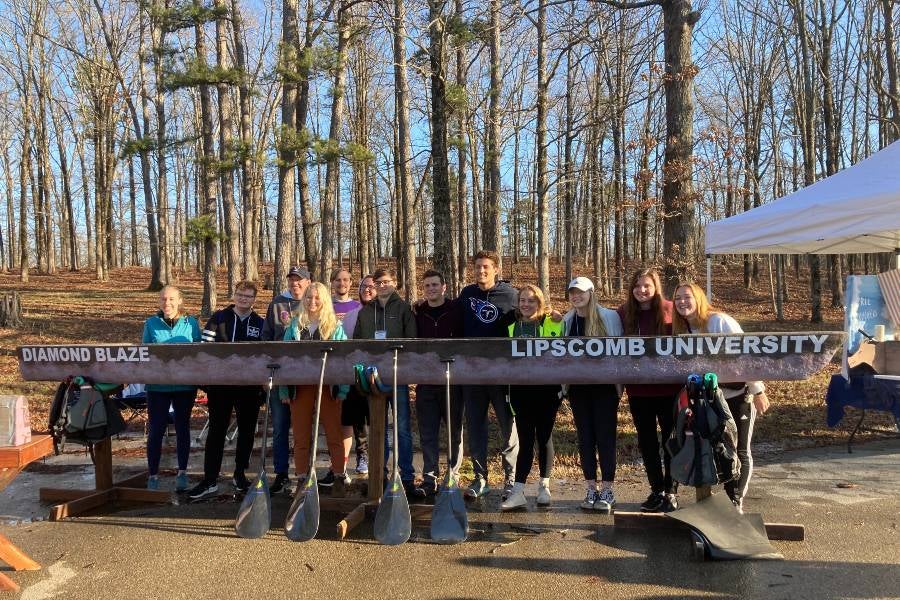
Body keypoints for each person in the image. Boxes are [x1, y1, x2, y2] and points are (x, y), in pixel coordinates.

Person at [672, 282, 770, 513]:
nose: (682, 302)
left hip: (737, 396)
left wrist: (757, 390)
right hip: (707, 400)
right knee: (715, 448)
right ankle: (714, 499)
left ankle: (736, 502)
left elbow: (747, 354)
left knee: (739, 449)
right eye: (677, 299)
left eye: (687, 297)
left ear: (698, 298)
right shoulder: (682, 329)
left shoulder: (719, 321)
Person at [188, 281, 266, 500]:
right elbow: (205, 350)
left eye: (249, 296)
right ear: (234, 295)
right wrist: (208, 382)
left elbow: (264, 354)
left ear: (254, 299)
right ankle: (210, 479)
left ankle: (240, 474)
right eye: (240, 294)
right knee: (216, 431)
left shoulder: (259, 323)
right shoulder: (218, 318)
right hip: (221, 386)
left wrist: (261, 386)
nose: (244, 299)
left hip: (249, 388)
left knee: (247, 431)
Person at [617, 268, 682, 513]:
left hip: (669, 390)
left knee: (670, 441)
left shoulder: (669, 308)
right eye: (637, 286)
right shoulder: (624, 313)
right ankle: (656, 490)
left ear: (655, 287)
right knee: (647, 442)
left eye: (647, 285)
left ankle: (671, 491)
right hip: (638, 391)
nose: (642, 290)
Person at [458, 250, 519, 500]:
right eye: (477, 267)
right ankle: (480, 478)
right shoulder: (467, 295)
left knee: (509, 427)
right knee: (475, 426)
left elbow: (531, 314)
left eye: (486, 267)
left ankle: (511, 479)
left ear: (495, 269)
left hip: (503, 372)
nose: (481, 271)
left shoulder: (510, 295)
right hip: (473, 372)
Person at [352, 267, 418, 496]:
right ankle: (379, 474)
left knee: (402, 428)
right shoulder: (365, 312)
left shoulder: (403, 309)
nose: (382, 286)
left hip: (398, 378)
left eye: (386, 282)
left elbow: (412, 341)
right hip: (373, 378)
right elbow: (357, 343)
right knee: (378, 429)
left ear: (394, 283)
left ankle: (406, 476)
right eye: (378, 282)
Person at [562, 276, 623, 512]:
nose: (577, 296)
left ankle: (607, 488)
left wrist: (619, 386)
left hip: (605, 387)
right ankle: (590, 488)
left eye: (581, 292)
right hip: (578, 388)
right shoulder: (568, 320)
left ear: (591, 293)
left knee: (605, 438)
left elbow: (620, 352)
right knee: (585, 438)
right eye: (572, 293)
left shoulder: (608, 317)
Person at [501, 285, 564, 511]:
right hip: (520, 391)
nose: (526, 304)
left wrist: (557, 316)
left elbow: (562, 353)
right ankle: (518, 491)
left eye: (531, 301)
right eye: (522, 300)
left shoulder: (553, 322)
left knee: (545, 437)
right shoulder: (510, 325)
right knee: (526, 439)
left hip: (547, 390)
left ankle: (544, 486)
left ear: (540, 303)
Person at [282, 282, 351, 488]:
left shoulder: (335, 327)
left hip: (328, 388)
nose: (313, 301)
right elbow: (284, 358)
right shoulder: (294, 325)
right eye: (309, 297)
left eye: (317, 298)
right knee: (301, 434)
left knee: (334, 433)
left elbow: (344, 361)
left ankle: (339, 472)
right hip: (300, 386)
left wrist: (343, 389)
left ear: (324, 301)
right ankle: (302, 475)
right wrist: (284, 389)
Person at [141, 285, 201, 491]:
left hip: (185, 386)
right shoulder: (151, 323)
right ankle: (153, 475)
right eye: (163, 299)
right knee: (156, 429)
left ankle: (182, 472)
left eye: (171, 299)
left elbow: (199, 353)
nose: (167, 303)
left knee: (182, 426)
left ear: (180, 301)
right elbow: (145, 354)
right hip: (157, 386)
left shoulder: (191, 323)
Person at [413, 269, 464, 498]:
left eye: (435, 285)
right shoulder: (418, 312)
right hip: (426, 381)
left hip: (452, 381)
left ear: (444, 287)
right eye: (427, 286)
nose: (431, 289)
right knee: (428, 432)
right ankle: (430, 476)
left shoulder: (456, 310)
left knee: (454, 431)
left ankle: (453, 473)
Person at [261, 265, 310, 494]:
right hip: (280, 377)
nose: (295, 284)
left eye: (299, 280)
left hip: (306, 377)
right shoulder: (277, 304)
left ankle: (306, 473)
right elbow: (266, 340)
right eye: (291, 280)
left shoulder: (314, 302)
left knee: (305, 428)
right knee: (280, 427)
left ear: (308, 283)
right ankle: (281, 473)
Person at [332, 269, 368, 475]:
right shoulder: (326, 304)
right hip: (335, 367)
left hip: (356, 367)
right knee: (340, 418)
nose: (342, 283)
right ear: (333, 283)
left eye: (346, 280)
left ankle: (362, 454)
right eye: (338, 280)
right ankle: (339, 462)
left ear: (351, 283)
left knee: (358, 418)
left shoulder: (357, 306)